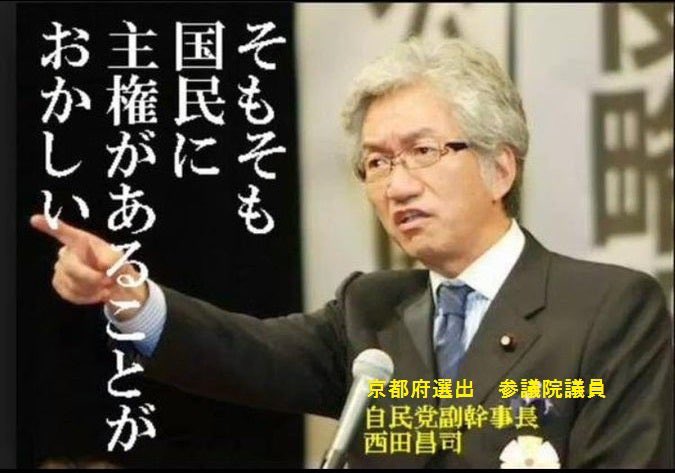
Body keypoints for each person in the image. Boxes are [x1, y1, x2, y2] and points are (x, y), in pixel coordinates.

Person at [31, 38, 673, 468]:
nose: (397, 186)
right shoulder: (373, 309)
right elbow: (246, 353)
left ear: (500, 167)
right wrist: (131, 297)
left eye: (422, 152)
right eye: (377, 162)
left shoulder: (608, 308)